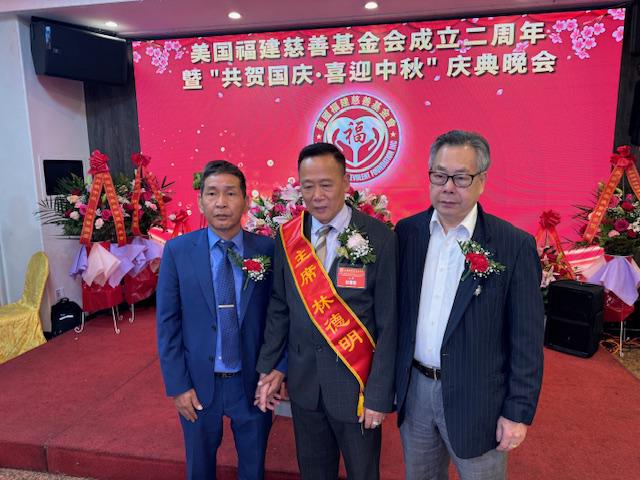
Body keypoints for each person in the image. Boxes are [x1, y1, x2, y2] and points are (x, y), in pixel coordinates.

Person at [395, 130, 545, 480]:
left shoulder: (512, 245)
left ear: (482, 181)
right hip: (416, 391)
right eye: (439, 175)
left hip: (479, 401)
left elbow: (526, 339)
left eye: (461, 178)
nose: (448, 187)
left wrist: (517, 412)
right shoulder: (407, 233)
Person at [255, 142, 397, 480]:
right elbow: (280, 306)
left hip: (356, 386)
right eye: (308, 186)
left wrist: (379, 396)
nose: (317, 196)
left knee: (363, 473)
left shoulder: (379, 238)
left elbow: (390, 323)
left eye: (326, 184)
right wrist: (270, 366)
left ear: (346, 182)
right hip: (305, 384)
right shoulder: (288, 237)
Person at [156, 160, 285, 480]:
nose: (221, 202)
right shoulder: (177, 251)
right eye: (212, 193)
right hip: (199, 383)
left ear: (246, 200)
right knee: (199, 469)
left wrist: (278, 368)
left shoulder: (268, 250)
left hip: (252, 382)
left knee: (253, 469)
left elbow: (282, 316)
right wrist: (178, 386)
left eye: (230, 193)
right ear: (201, 201)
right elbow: (167, 325)